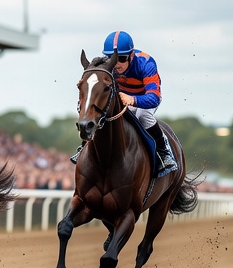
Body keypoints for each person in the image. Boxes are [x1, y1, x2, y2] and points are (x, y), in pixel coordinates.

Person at [71, 31, 177, 176]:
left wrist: (133, 100)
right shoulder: (107, 65)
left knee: (143, 117)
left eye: (121, 58)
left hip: (144, 99)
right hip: (120, 98)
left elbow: (154, 98)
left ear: (131, 55)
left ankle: (163, 153)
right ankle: (84, 147)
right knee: (100, 115)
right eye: (113, 58)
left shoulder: (146, 63)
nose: (117, 64)